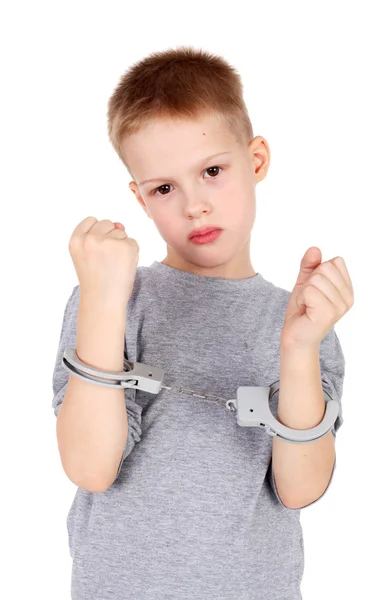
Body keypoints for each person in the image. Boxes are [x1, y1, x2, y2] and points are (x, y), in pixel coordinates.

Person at [52, 46, 350, 600]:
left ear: (256, 160)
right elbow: (91, 468)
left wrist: (299, 348)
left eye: (212, 171)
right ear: (140, 199)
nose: (194, 205)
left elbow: (300, 488)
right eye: (164, 188)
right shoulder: (109, 299)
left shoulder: (302, 319)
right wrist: (101, 299)